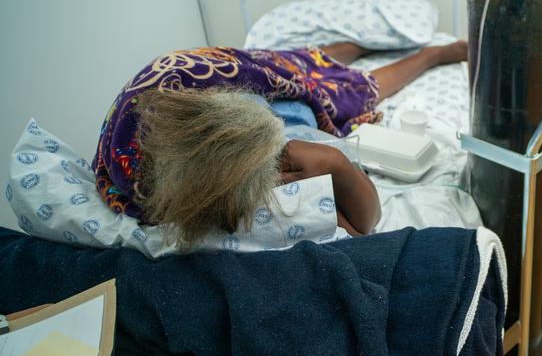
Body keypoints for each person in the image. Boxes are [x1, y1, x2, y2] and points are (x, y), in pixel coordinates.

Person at [93, 40, 467, 250]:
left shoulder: (274, 143)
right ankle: (430, 54)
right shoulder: (245, 187)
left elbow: (363, 226)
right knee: (353, 91)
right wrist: (337, 165)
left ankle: (344, 48)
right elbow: (363, 232)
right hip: (235, 127)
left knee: (305, 72)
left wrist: (337, 162)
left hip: (215, 77)